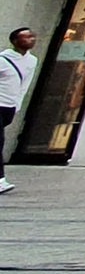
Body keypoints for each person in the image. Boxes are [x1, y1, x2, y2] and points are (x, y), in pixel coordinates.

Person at [1, 27, 38, 195]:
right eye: (26, 37)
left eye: (32, 36)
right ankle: (0, 180)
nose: (31, 39)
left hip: (9, 107)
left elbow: (25, 85)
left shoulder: (32, 60)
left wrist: (17, 105)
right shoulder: (3, 59)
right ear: (15, 41)